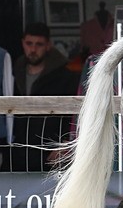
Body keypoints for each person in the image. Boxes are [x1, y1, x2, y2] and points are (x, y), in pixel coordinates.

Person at [9, 22, 80, 172]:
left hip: (51, 153)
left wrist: (67, 144)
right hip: (17, 152)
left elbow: (76, 113)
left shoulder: (65, 77)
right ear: (23, 44)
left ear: (48, 45)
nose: (33, 49)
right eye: (29, 43)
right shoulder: (13, 73)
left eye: (39, 44)